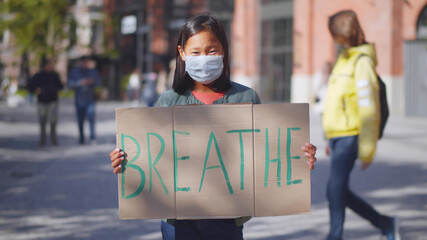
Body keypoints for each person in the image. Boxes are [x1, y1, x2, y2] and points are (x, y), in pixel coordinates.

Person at [110, 14, 318, 240]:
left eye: (212, 50)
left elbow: (266, 154)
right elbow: (151, 159)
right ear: (182, 53)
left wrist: (297, 157)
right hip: (178, 223)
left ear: (224, 50)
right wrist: (125, 161)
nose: (204, 58)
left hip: (227, 221)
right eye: (196, 52)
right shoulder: (168, 101)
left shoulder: (246, 98)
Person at [322, 10, 400, 240]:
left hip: (351, 136)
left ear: (343, 33)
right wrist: (329, 137)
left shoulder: (362, 62)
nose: (333, 38)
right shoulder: (344, 59)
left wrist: (367, 150)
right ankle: (386, 223)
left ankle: (334, 236)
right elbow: (336, 102)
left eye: (334, 33)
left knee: (334, 191)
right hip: (338, 137)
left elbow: (369, 108)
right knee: (336, 191)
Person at [28, 60, 63, 147]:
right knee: (42, 121)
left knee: (53, 121)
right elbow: (30, 86)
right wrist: (36, 90)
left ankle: (53, 137)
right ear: (44, 66)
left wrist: (56, 90)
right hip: (42, 102)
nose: (50, 67)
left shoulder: (54, 75)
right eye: (48, 65)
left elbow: (61, 86)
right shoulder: (38, 76)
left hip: (53, 101)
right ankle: (42, 139)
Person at [68, 56, 101, 145]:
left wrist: (92, 82)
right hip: (79, 99)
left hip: (90, 99)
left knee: (91, 118)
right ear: (81, 62)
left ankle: (92, 137)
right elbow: (70, 84)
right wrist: (80, 83)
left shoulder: (93, 71)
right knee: (80, 119)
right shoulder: (75, 72)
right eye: (84, 62)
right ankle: (81, 138)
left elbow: (99, 82)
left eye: (87, 62)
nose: (86, 64)